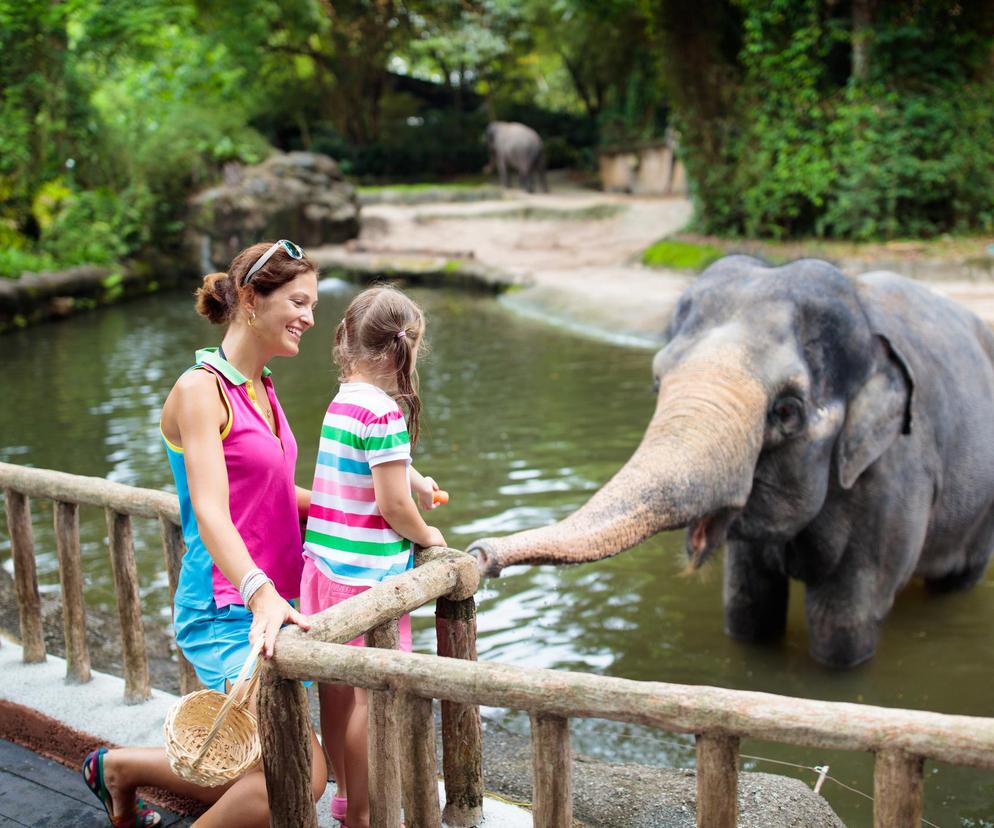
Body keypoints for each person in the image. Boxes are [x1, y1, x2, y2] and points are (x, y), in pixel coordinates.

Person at [81, 240, 327, 827]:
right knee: (298, 775)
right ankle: (122, 772)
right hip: (227, 605)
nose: (310, 318)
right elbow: (212, 511)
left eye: (314, 304)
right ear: (249, 300)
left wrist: (358, 507)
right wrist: (260, 592)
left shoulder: (262, 386)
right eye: (298, 302)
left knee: (252, 758)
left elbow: (272, 494)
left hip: (275, 602)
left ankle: (118, 769)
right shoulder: (201, 390)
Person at [300, 284, 445, 828]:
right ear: (404, 352)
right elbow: (391, 505)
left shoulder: (345, 398)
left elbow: (380, 468)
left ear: (349, 342)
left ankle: (342, 797)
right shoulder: (386, 413)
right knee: (369, 699)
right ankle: (360, 813)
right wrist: (427, 533)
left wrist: (416, 476)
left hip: (322, 571)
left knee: (337, 694)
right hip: (366, 582)